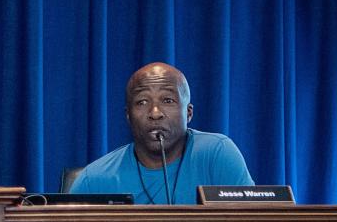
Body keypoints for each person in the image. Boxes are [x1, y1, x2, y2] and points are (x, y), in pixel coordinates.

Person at [70, 62, 252, 203]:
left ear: (188, 113)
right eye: (142, 102)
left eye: (168, 100)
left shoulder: (216, 155)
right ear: (128, 115)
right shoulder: (93, 180)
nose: (155, 113)